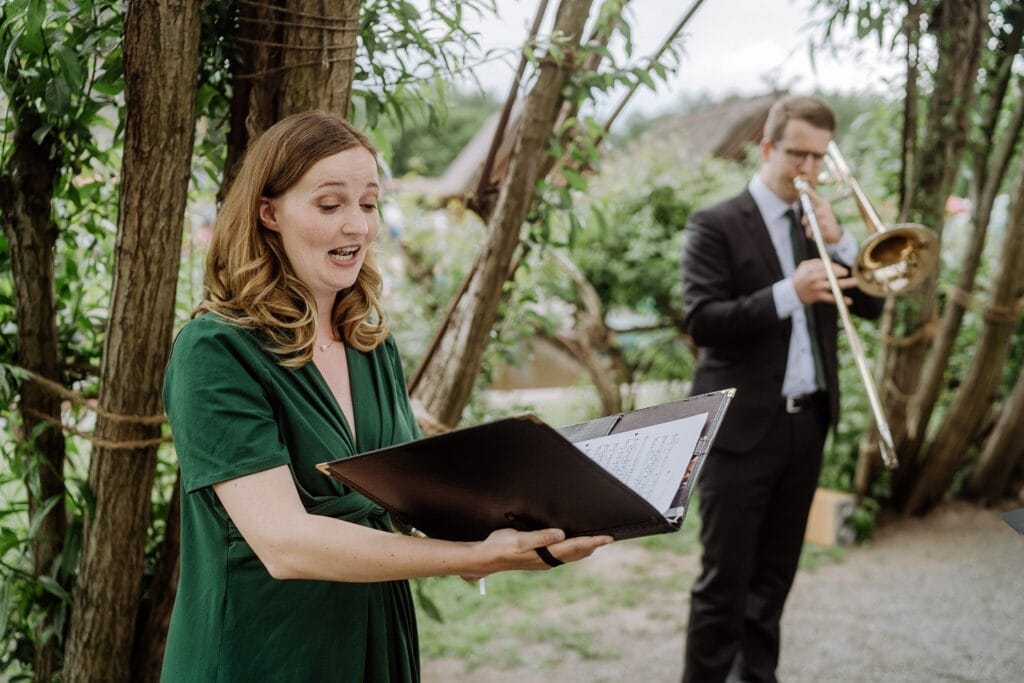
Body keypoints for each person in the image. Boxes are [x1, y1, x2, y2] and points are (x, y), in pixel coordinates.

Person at [160, 110, 612, 682]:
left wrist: (532, 525)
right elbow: (285, 543)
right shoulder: (215, 351)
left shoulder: (370, 344)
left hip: (378, 642)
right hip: (264, 650)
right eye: (331, 205)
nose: (358, 226)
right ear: (268, 213)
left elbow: (413, 506)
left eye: (369, 204)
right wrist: (471, 558)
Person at [680, 95, 884, 683]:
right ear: (767, 148)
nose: (811, 172)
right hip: (739, 430)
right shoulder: (715, 223)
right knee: (724, 584)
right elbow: (702, 321)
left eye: (821, 158)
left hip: (805, 425)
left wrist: (843, 240)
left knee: (774, 583)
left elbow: (868, 305)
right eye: (798, 155)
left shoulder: (818, 224)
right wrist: (789, 291)